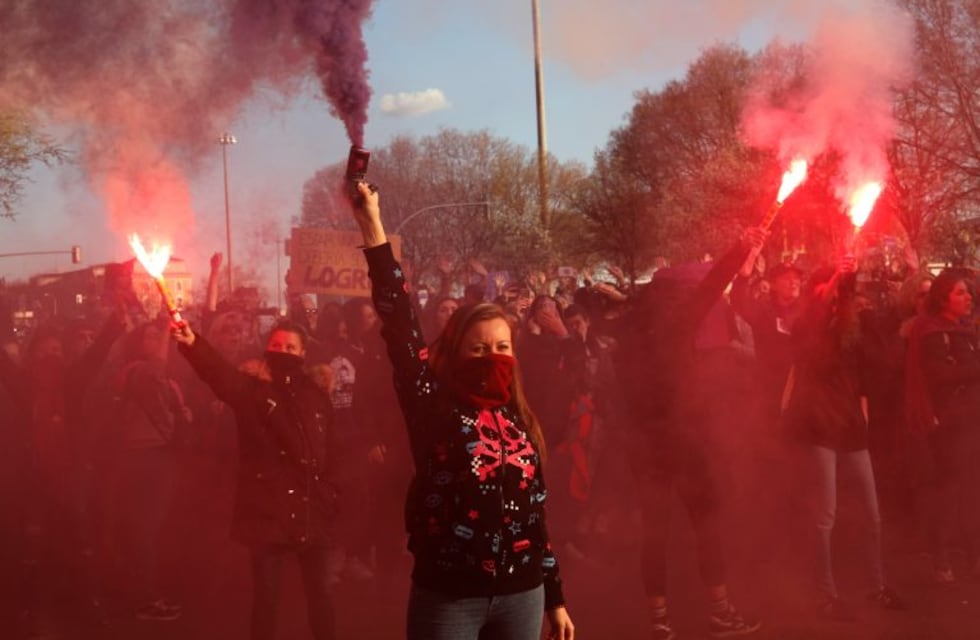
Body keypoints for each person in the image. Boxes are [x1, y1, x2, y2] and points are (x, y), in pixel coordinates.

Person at [350, 181, 574, 640]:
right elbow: (400, 323)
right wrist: (372, 224)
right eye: (479, 348)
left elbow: (535, 515)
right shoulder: (432, 406)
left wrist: (555, 597)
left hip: (523, 596)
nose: (493, 356)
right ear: (456, 353)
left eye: (502, 346)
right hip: (450, 598)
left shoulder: (519, 419)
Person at [616, 227, 767, 640]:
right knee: (706, 524)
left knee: (655, 532)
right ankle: (719, 611)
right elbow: (713, 285)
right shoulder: (673, 326)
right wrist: (741, 247)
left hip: (646, 446)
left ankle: (659, 621)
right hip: (681, 441)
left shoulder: (624, 334)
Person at [171, 319, 338, 640]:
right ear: (266, 350)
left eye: (290, 347)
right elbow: (218, 374)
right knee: (267, 598)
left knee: (322, 595)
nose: (283, 352)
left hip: (311, 506)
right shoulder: (251, 389)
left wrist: (332, 494)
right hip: (268, 509)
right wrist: (193, 343)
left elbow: (333, 449)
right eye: (276, 346)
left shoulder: (316, 395)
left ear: (304, 353)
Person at [784, 257, 905, 619]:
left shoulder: (853, 325)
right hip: (820, 428)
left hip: (851, 427)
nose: (835, 293)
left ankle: (876, 586)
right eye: (828, 287)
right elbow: (815, 329)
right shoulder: (806, 324)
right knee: (826, 515)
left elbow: (876, 365)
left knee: (872, 514)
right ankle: (826, 594)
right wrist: (837, 274)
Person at [905, 268, 980, 584]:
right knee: (950, 491)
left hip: (972, 420)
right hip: (951, 426)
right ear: (943, 297)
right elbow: (939, 378)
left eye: (969, 292)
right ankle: (942, 557)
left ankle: (973, 557)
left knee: (973, 491)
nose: (968, 297)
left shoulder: (964, 331)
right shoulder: (932, 332)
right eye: (960, 292)